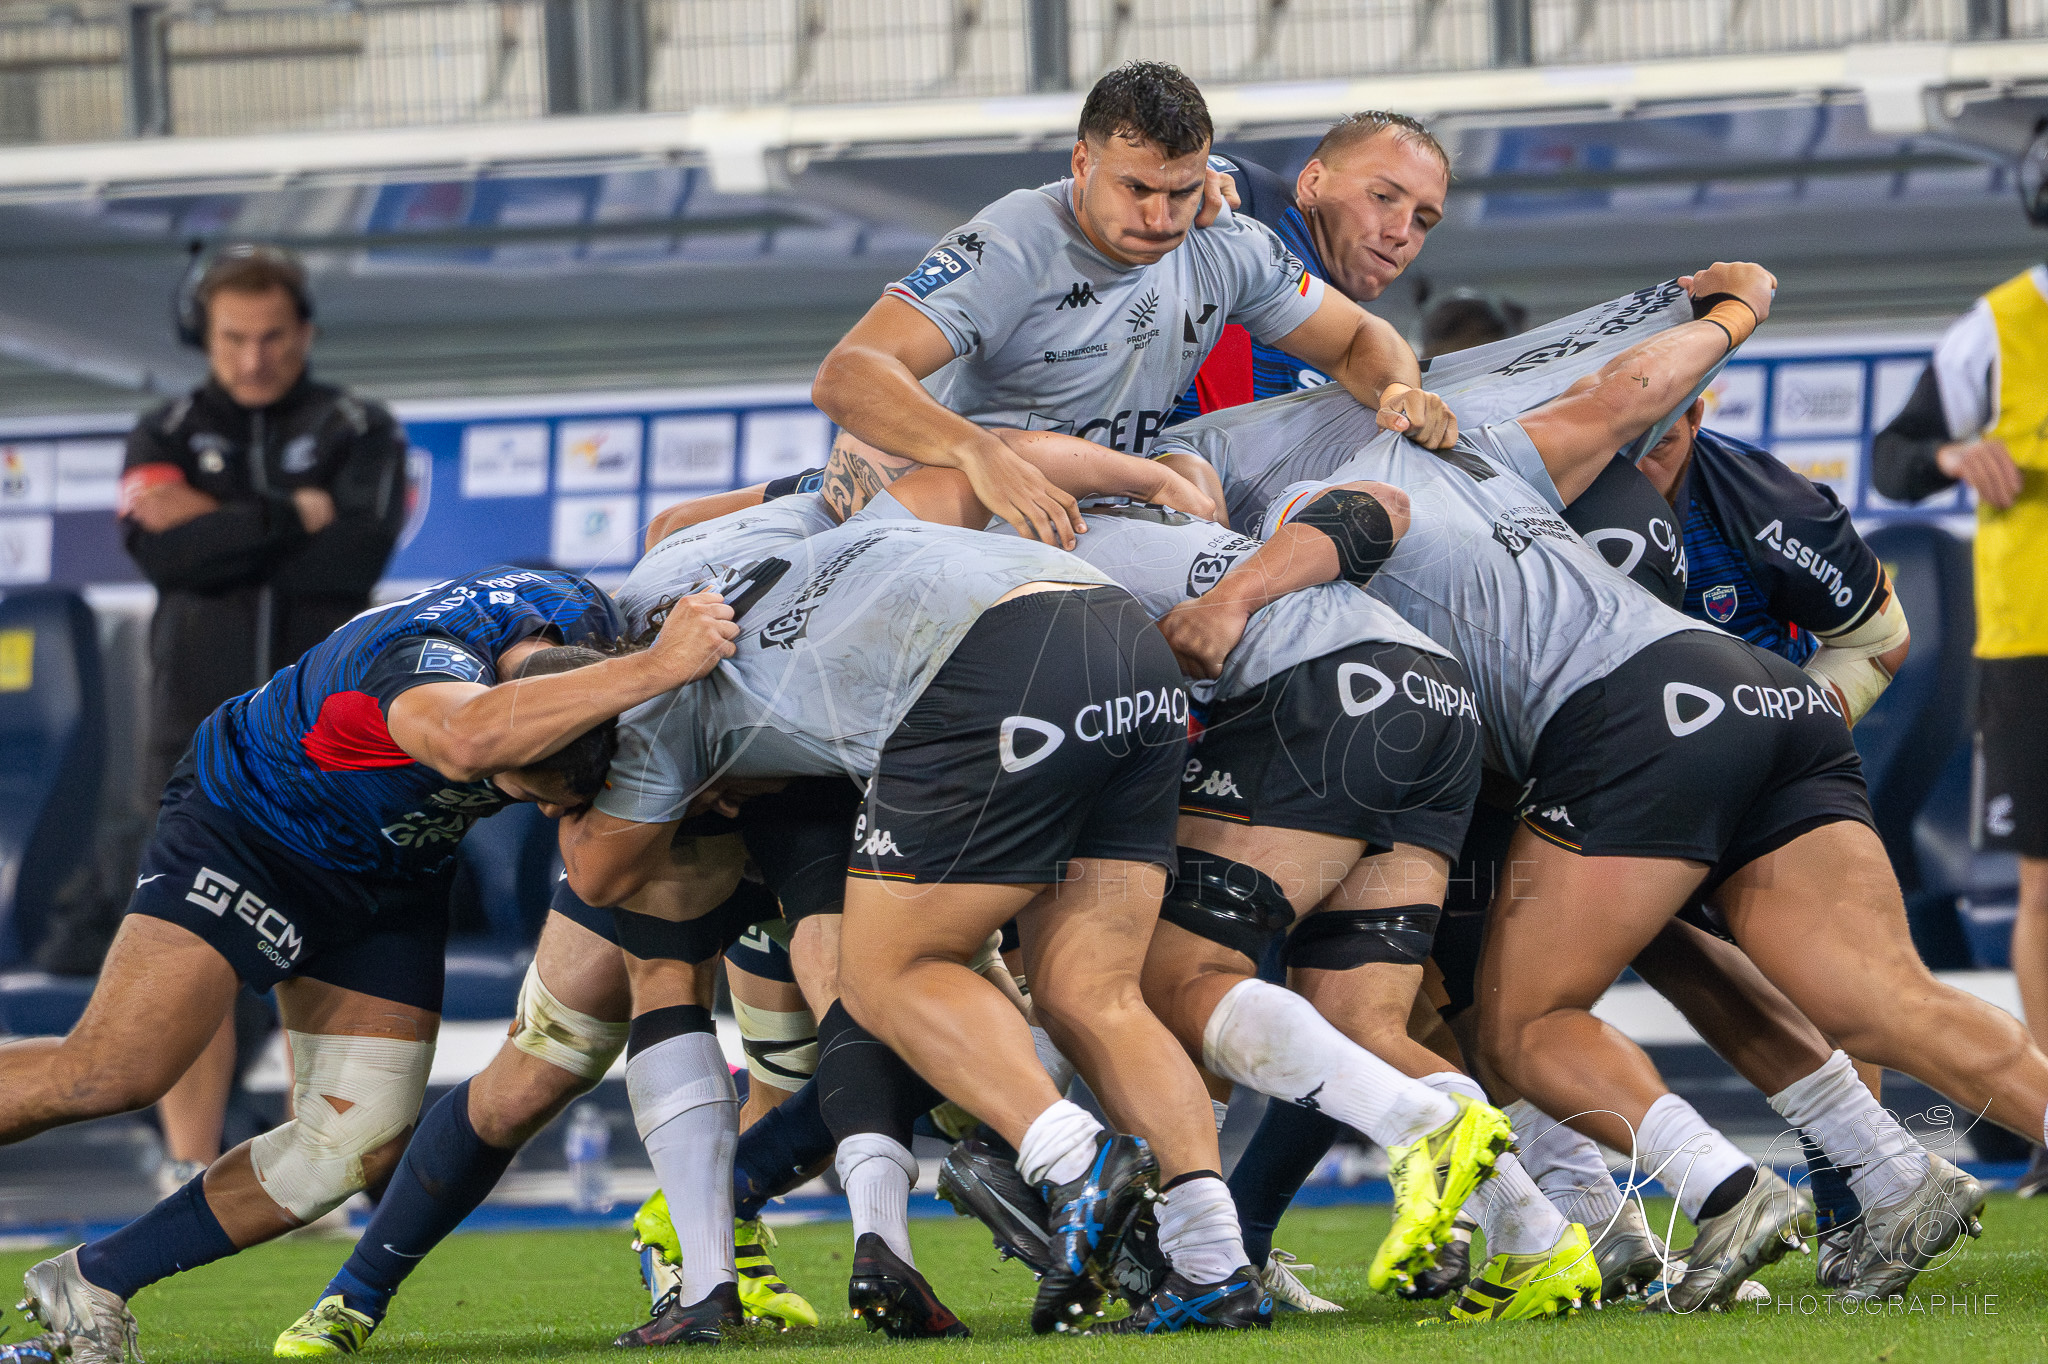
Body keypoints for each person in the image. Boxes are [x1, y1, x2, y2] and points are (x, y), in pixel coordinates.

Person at [2, 567, 738, 1364]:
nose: (551, 814)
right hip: (252, 830)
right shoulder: (421, 667)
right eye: (534, 794)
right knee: (114, 1072)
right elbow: (468, 737)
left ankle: (93, 1280)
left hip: (394, 867)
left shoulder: (583, 625)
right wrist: (663, 665)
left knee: (355, 1141)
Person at [809, 61, 1454, 553]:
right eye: (1136, 187)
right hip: (959, 509)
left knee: (1200, 490)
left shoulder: (1226, 243)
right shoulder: (1014, 241)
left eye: (1180, 191)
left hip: (1094, 510)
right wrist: (976, 451)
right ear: (1083, 162)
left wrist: (1400, 391)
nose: (1158, 216)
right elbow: (849, 372)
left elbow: (1356, 338)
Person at [1873, 264, 2048, 1196]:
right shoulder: (2001, 324)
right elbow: (1891, 457)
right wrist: (1950, 456)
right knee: (2042, 885)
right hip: (2033, 641)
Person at [1171, 112, 1451, 417]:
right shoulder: (1255, 203)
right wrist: (1185, 180)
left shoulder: (1365, 371)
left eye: (1422, 221)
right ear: (1312, 183)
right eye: (1382, 197)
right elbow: (1146, 176)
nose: (1401, 233)